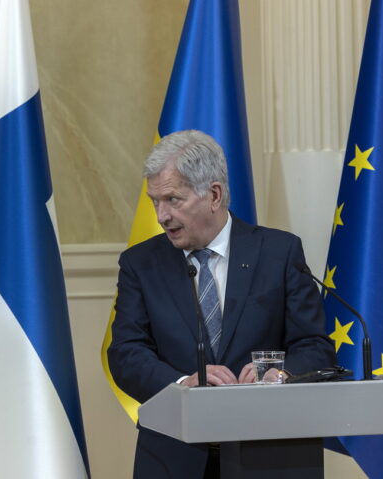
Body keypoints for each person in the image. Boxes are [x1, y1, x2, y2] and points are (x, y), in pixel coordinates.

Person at [107, 130, 335, 478]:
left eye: (172, 200)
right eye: (155, 201)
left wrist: (282, 374)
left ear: (213, 195)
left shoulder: (279, 253)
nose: (161, 215)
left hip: (268, 453)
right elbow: (125, 353)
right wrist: (183, 382)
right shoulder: (141, 264)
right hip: (174, 456)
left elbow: (315, 346)